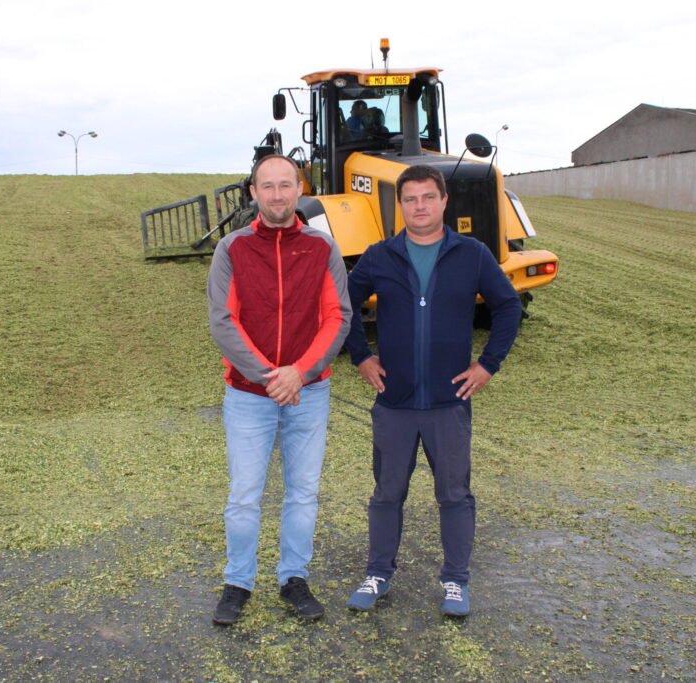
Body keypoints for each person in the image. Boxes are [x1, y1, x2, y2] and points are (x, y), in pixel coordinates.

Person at [342, 164, 521, 616]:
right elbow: (343, 304)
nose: (419, 206)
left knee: (454, 495)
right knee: (387, 493)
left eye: (428, 197)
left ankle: (456, 581)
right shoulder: (379, 255)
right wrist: (361, 356)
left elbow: (507, 306)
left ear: (444, 202)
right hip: (395, 402)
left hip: (448, 402)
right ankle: (378, 573)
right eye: (410, 199)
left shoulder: (472, 254)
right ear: (399, 206)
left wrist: (488, 364)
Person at [207, 154, 352, 625]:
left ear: (299, 188)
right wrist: (272, 376)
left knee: (303, 493)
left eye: (285, 185)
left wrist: (300, 373)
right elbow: (223, 321)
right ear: (253, 192)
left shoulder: (322, 247)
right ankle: (238, 583)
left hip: (308, 393)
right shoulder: (231, 249)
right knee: (244, 495)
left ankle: (294, 578)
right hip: (249, 394)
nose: (276, 195)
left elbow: (338, 317)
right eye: (266, 186)